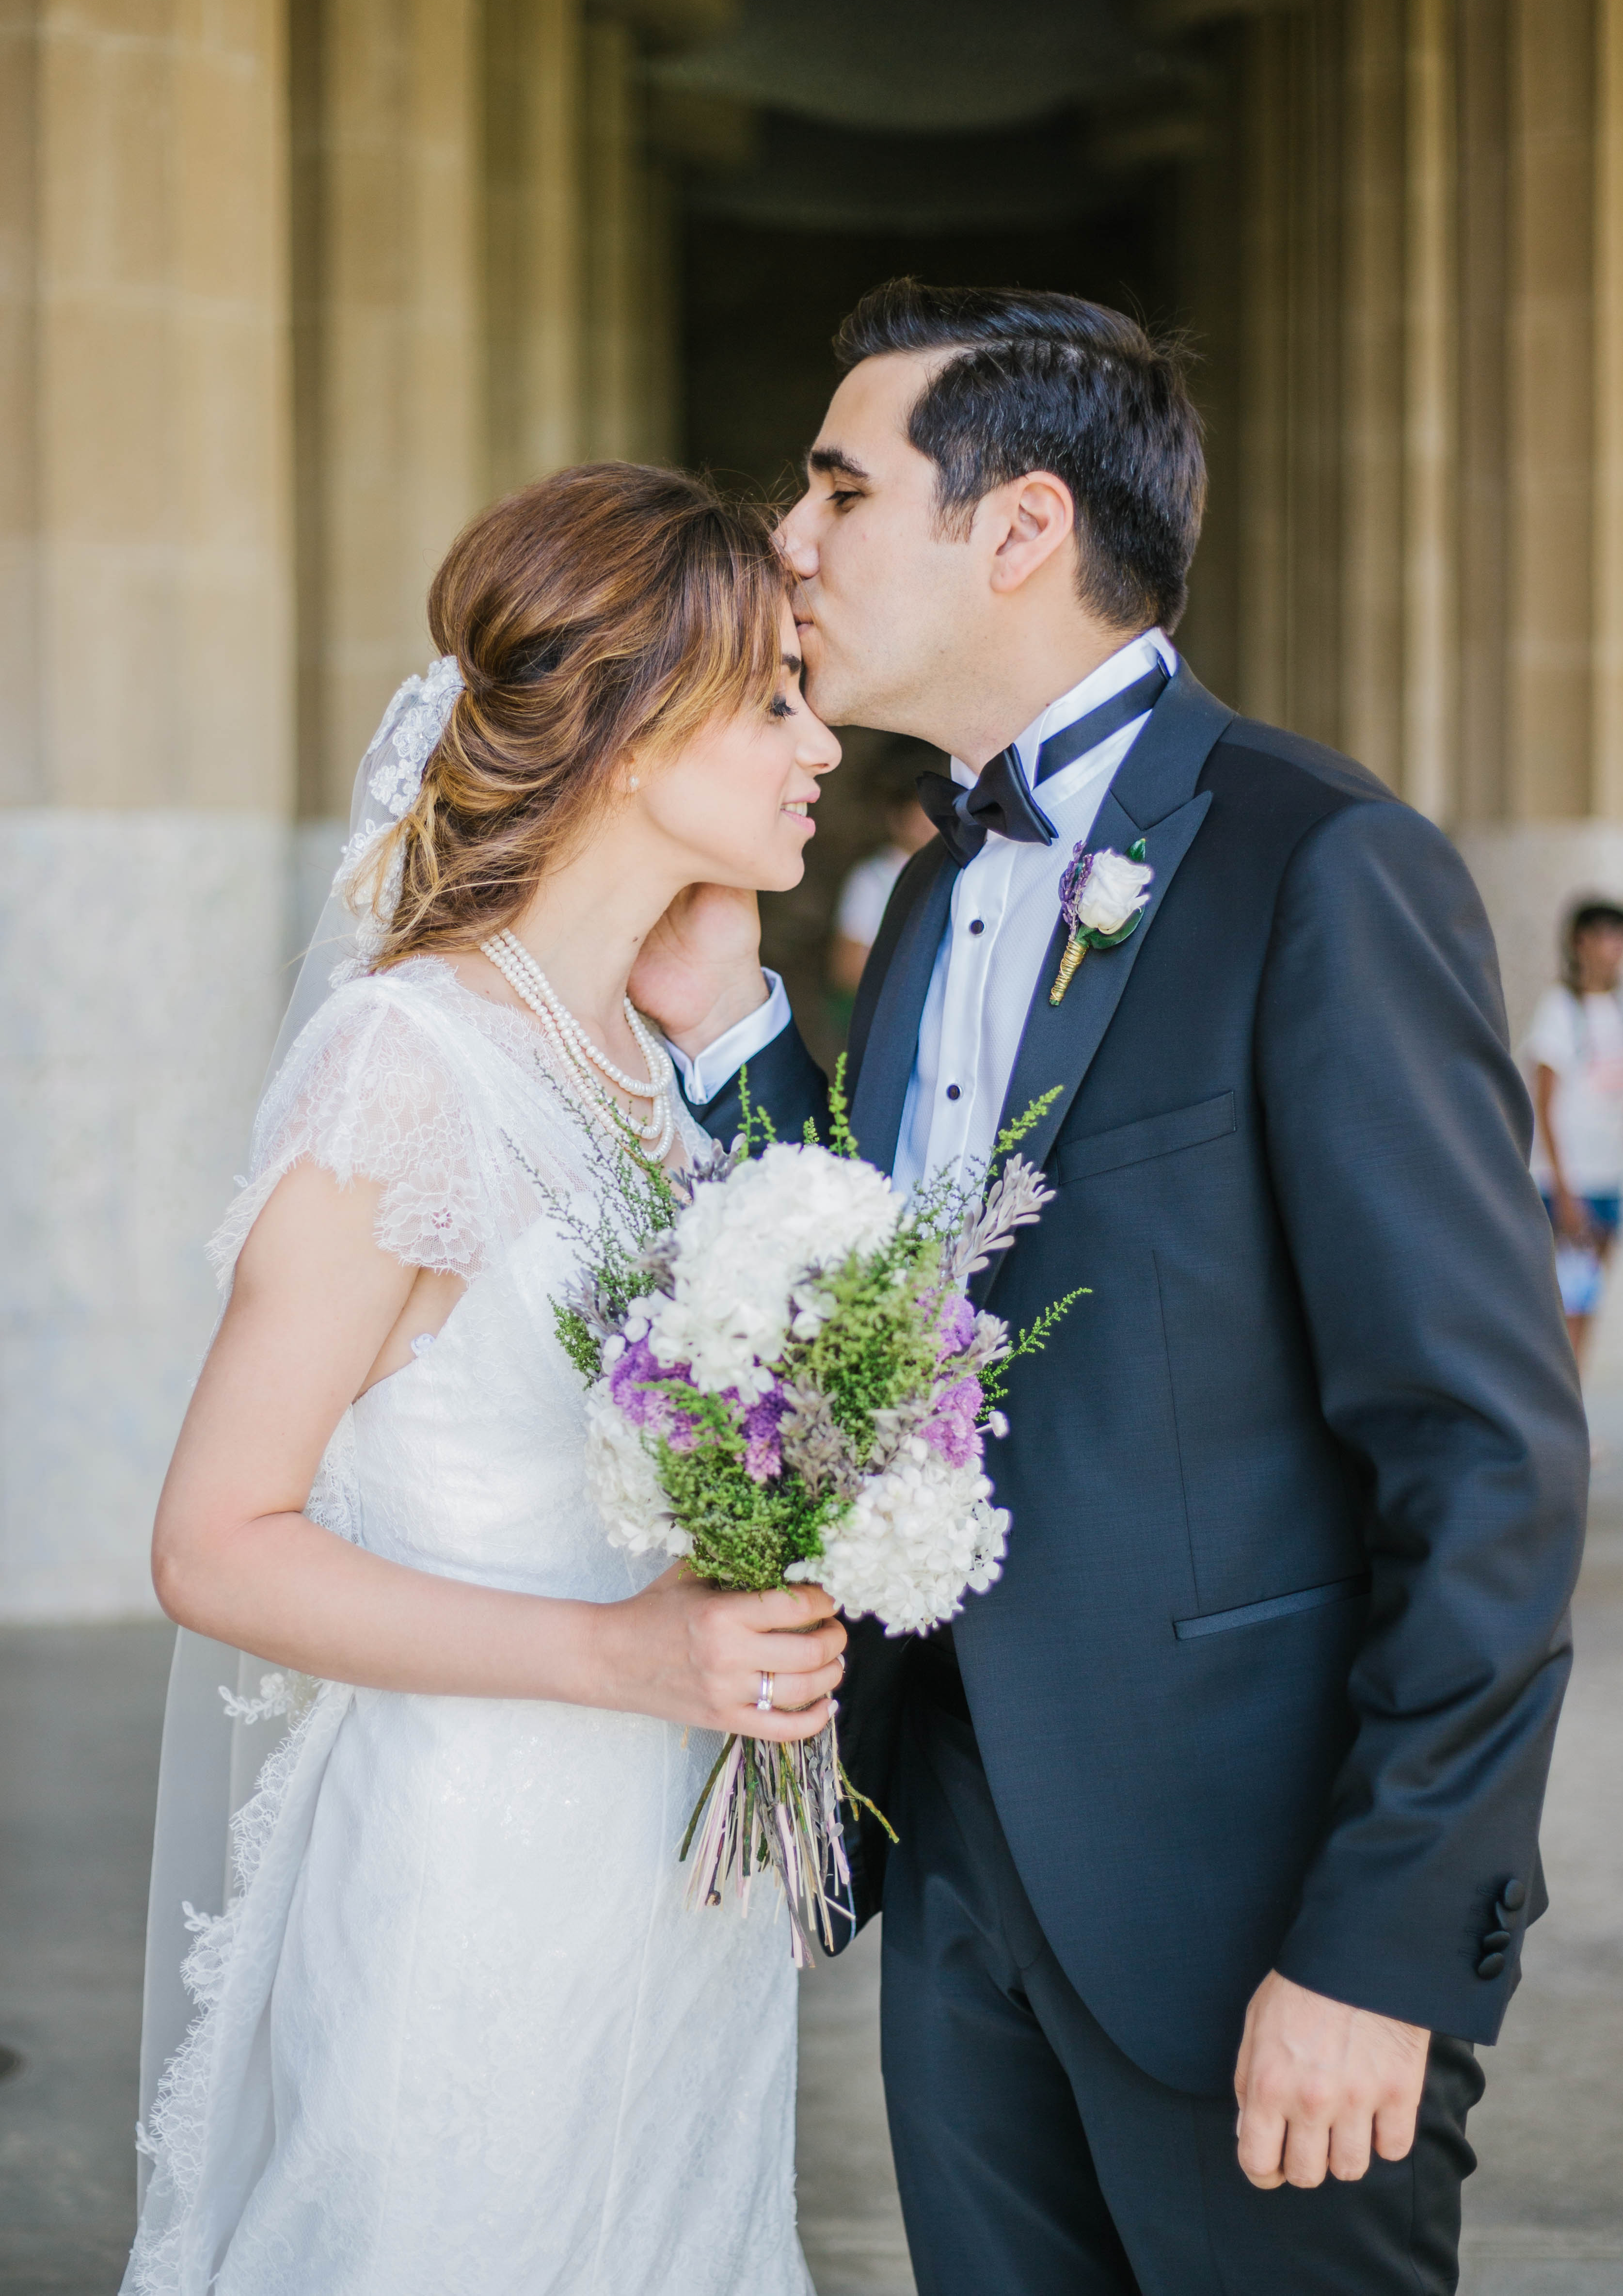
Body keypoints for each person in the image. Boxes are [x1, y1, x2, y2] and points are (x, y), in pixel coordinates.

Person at [631, 281, 1590, 2296]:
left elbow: (1484, 1455)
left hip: (1252, 1909)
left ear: (1020, 527)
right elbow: (896, 1286)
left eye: (835, 486)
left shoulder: (1319, 864)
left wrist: (1379, 1943)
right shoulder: (916, 906)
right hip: (962, 1858)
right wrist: (725, 1029)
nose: (787, 542)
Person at [123, 463, 846, 2296]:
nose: (817, 741)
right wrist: (621, 1655)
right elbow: (216, 1543)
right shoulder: (408, 1061)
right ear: (621, 728)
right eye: (770, 696)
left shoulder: (644, 1064)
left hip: (672, 1913)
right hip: (476, 1895)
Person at [1525, 897, 1623, 1364]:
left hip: (1609, 1179)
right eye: (1607, 934)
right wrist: (1565, 1190)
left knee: (1589, 1302)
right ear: (1579, 942)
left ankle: (1572, 1422)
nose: (1616, 946)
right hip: (1570, 1184)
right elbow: (1544, 1104)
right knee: (1565, 1306)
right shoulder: (1560, 1009)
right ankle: (1557, 1426)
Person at [827, 736, 942, 1001]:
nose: (934, 829)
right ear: (897, 820)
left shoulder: (954, 870)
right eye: (922, 821)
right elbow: (848, 967)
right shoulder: (874, 877)